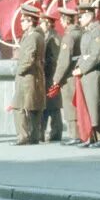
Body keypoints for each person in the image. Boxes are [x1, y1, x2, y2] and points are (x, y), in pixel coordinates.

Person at [73, 4, 100, 147]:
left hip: (96, 74)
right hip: (88, 74)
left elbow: (96, 55)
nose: (79, 20)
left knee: (98, 105)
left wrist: (82, 68)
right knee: (89, 106)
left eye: (82, 17)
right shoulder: (87, 32)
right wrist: (78, 66)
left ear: (90, 16)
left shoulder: (99, 31)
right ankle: (92, 137)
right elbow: (84, 54)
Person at [50, 7, 83, 145]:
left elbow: (64, 60)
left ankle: (74, 135)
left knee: (70, 106)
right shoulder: (81, 33)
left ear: (65, 20)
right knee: (77, 104)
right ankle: (80, 134)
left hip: (68, 76)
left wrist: (56, 79)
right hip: (77, 72)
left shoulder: (68, 36)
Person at [12, 5, 46, 145]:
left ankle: (23, 136)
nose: (21, 23)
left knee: (18, 106)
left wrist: (20, 70)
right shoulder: (35, 35)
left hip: (28, 76)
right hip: (33, 75)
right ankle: (34, 136)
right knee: (33, 106)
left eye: (23, 21)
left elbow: (30, 57)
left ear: (31, 21)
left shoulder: (33, 37)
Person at [38, 13, 63, 142]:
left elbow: (53, 59)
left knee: (51, 106)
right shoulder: (52, 36)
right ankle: (51, 132)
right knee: (52, 106)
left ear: (47, 23)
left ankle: (54, 133)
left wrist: (43, 69)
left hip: (50, 76)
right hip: (51, 76)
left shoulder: (52, 38)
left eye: (42, 22)